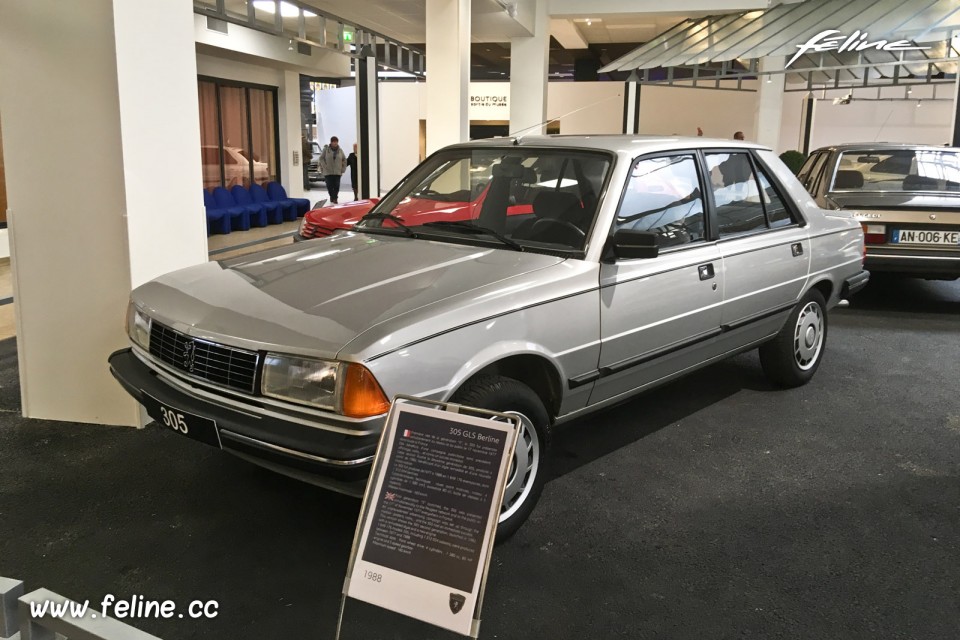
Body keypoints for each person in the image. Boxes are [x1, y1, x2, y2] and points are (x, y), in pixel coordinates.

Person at [318, 135, 347, 204]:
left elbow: (344, 160)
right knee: (329, 185)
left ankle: (335, 198)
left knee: (337, 185)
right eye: (334, 142)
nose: (335, 143)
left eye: (336, 142)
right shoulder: (326, 150)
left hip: (337, 171)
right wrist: (324, 166)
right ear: (331, 142)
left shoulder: (340, 150)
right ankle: (332, 196)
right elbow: (321, 158)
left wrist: (343, 169)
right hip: (328, 171)